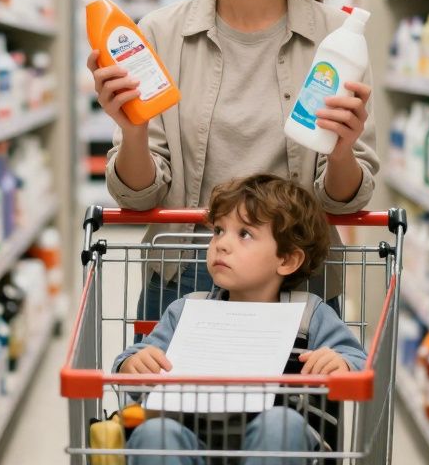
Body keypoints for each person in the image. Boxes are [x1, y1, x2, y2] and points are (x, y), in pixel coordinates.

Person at [89, 0, 380, 320]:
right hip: (183, 275)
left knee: (292, 402)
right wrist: (132, 130)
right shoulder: (161, 33)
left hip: (298, 278)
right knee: (171, 401)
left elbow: (344, 199)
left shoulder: (335, 40)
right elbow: (139, 196)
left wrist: (344, 149)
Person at [114, 175, 367, 465]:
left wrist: (341, 364)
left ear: (286, 260)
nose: (222, 244)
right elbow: (132, 361)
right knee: (154, 434)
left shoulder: (310, 315)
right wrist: (135, 364)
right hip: (195, 440)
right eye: (219, 231)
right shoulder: (187, 310)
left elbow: (359, 362)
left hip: (280, 446)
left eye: (244, 234)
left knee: (281, 425)